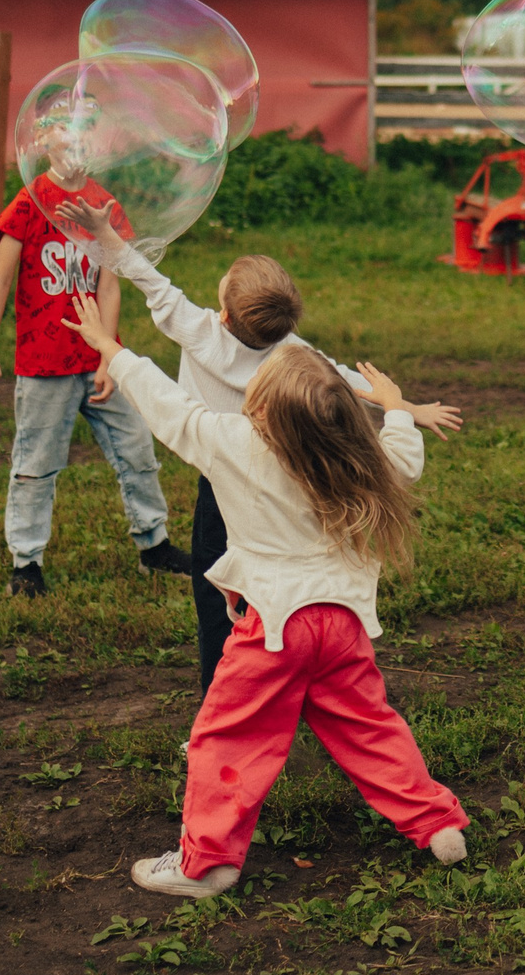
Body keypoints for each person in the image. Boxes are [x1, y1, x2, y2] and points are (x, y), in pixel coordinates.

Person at [63, 296, 469, 897]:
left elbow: (165, 403)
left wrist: (110, 347)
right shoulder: (360, 454)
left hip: (275, 630)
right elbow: (405, 455)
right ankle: (437, 824)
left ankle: (207, 866)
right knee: (370, 727)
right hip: (343, 627)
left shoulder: (233, 444)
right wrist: (393, 408)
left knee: (226, 737)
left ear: (261, 407)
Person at [81, 211, 463, 699]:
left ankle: (222, 701)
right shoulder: (291, 354)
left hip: (225, 480)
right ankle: (297, 677)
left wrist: (103, 230)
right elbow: (345, 381)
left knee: (216, 596)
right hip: (299, 475)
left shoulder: (198, 330)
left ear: (223, 314)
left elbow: (146, 277)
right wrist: (406, 409)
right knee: (284, 587)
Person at [0, 176, 193, 598]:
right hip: (43, 362)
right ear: (45, 137)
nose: (73, 139)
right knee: (35, 464)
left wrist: (109, 357)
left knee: (137, 448)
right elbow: (0, 282)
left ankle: (154, 546)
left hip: (100, 360)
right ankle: (27, 564)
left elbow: (109, 286)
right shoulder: (29, 202)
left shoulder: (101, 204)